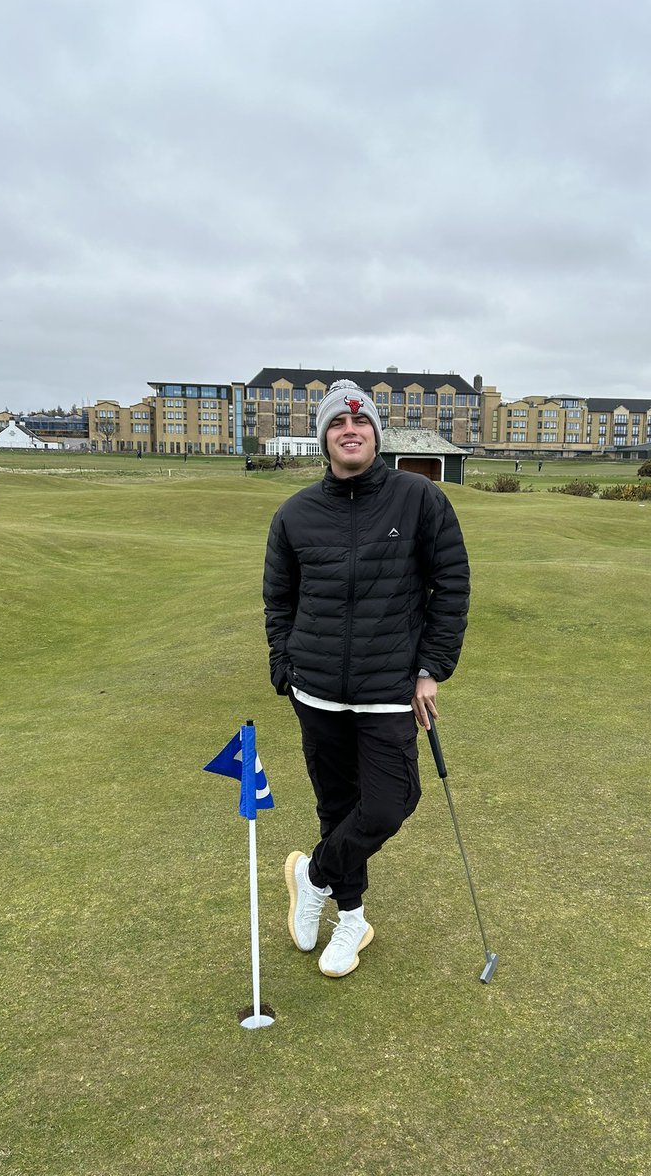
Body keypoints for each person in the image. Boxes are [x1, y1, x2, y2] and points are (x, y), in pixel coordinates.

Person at [263, 379, 470, 979]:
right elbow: (279, 598)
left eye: (360, 423)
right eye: (336, 424)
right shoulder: (295, 513)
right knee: (337, 807)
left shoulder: (419, 498)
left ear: (376, 434)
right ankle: (351, 917)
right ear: (324, 436)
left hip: (389, 688)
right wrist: (285, 665)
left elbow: (450, 587)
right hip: (317, 688)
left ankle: (312, 876)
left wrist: (430, 669)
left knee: (389, 802)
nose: (349, 431)